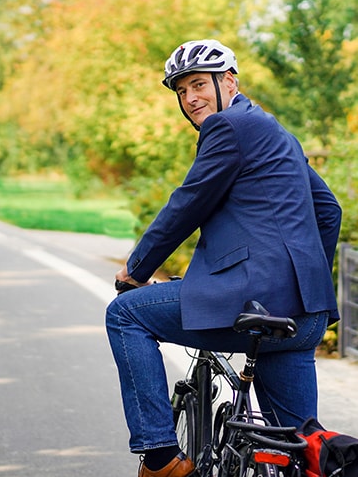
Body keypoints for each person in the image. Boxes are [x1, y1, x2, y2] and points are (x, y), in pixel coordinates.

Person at [106, 39, 342, 477]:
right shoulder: (275, 132)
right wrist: (307, 285)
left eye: (199, 84)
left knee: (125, 315)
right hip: (304, 317)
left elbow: (187, 205)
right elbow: (329, 211)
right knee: (300, 448)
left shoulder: (229, 126)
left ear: (229, 81)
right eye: (181, 91)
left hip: (250, 304)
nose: (190, 98)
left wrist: (134, 270)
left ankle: (160, 459)